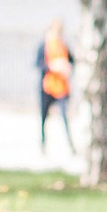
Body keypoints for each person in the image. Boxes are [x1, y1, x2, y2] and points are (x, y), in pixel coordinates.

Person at [35, 22, 75, 157]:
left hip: (62, 87)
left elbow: (72, 61)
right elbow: (38, 64)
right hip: (47, 86)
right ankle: (43, 143)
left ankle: (70, 144)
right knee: (44, 117)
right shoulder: (44, 46)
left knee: (64, 116)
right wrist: (52, 66)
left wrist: (67, 67)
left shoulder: (63, 46)